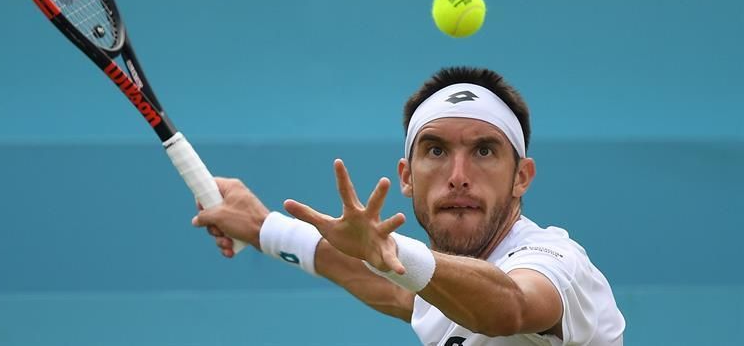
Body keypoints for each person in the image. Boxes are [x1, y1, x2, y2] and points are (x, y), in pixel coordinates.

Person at [193, 66, 626, 345]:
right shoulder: (435, 285)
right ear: (406, 176)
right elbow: (384, 283)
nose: (458, 174)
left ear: (521, 178)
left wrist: (396, 255)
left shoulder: (557, 263)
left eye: (484, 151)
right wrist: (262, 227)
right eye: (436, 151)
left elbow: (510, 305)